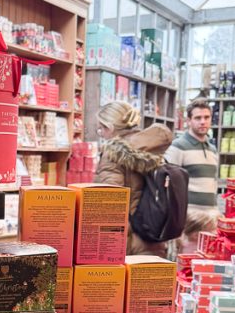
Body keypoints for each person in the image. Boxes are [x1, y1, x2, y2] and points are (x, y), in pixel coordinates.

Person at [93, 101, 174, 257]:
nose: (101, 133)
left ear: (109, 128)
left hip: (128, 241)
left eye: (101, 129)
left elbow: (108, 202)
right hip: (154, 233)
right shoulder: (151, 148)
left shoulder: (113, 155)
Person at [165, 98, 218, 254]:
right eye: (197, 118)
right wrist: (175, 223)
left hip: (210, 221)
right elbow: (168, 185)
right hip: (188, 222)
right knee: (186, 269)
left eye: (206, 118)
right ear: (188, 120)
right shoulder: (178, 147)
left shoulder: (212, 149)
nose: (203, 122)